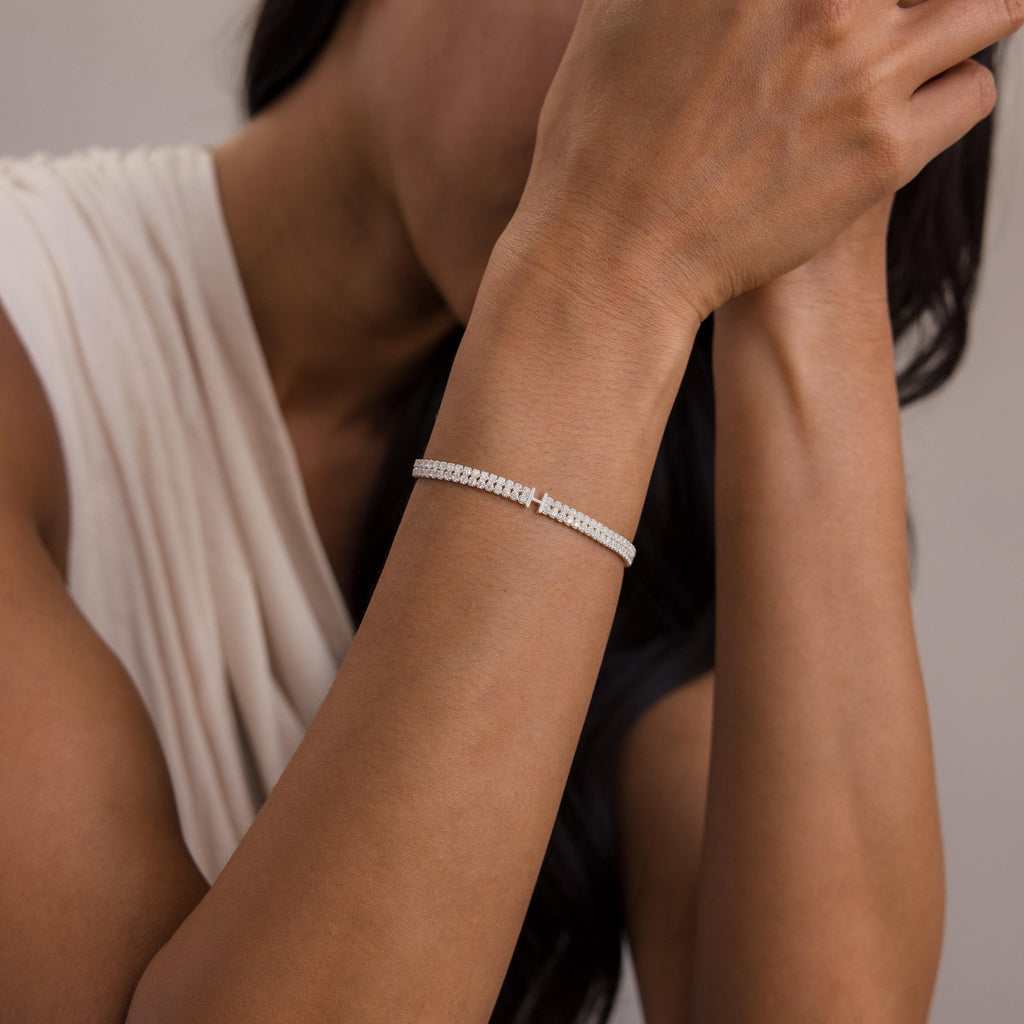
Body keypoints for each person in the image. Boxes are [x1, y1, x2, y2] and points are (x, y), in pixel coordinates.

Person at [0, 0, 1017, 1021]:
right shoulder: (30, 333)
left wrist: (814, 235)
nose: (712, 104)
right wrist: (608, 265)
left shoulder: (665, 479)